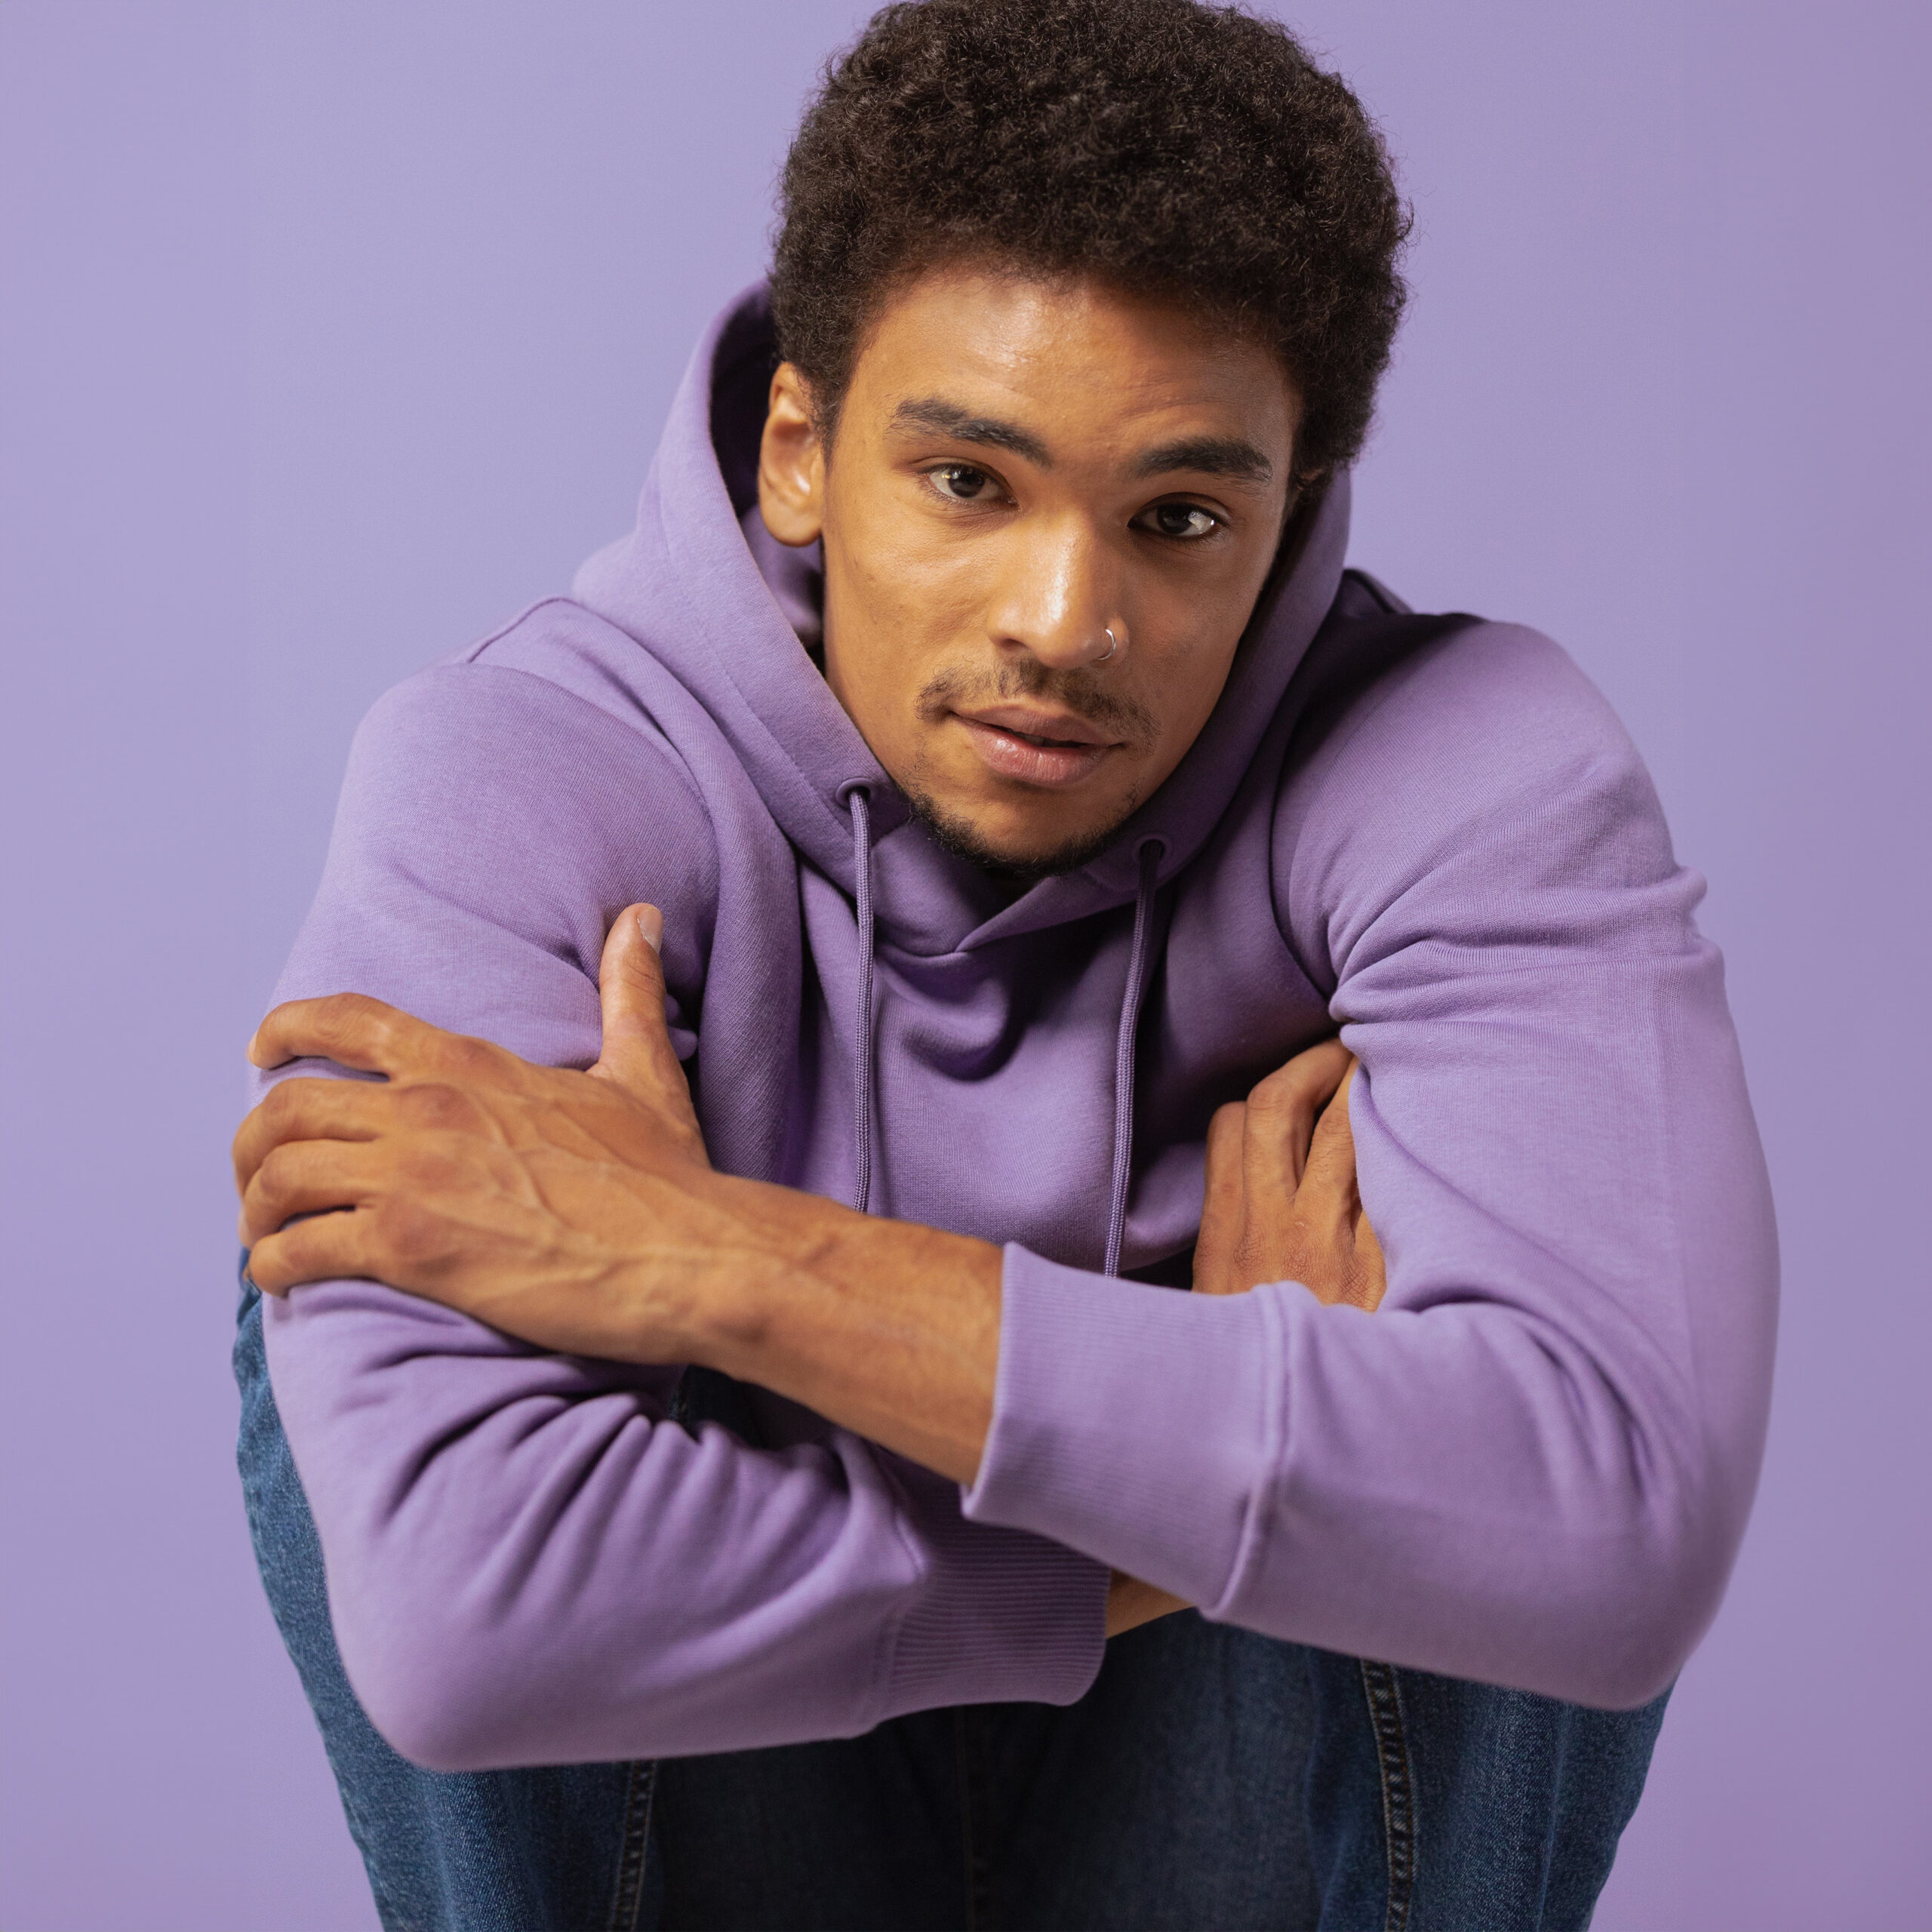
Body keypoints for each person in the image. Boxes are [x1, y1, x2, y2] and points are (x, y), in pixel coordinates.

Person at [230, 2, 1778, 1926]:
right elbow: (463, 1625)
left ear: (1286, 509)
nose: (1065, 621)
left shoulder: (1465, 759)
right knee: (360, 1261)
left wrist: (718, 1258)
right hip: (739, 1766)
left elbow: (1613, 1525)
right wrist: (1180, 1519)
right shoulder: (524, 768)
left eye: (1178, 519)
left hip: (1221, 1772)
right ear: (798, 452)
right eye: (969, 482)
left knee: (1513, 1315)